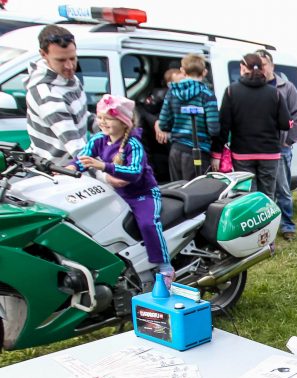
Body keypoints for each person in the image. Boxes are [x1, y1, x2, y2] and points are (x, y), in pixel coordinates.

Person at [68, 95, 173, 284]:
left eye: (108, 118)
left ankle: (165, 266)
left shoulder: (134, 144)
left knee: (148, 224)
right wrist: (70, 169)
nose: (102, 122)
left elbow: (134, 172)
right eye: (100, 117)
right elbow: (82, 159)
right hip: (115, 194)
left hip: (142, 194)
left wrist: (103, 166)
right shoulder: (98, 139)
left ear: (124, 122)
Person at [212, 53, 290, 202]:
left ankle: (252, 225)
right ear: (262, 69)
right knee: (268, 196)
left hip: (242, 153)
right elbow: (285, 124)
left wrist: (217, 153)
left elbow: (223, 126)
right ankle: (267, 225)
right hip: (269, 153)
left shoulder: (231, 91)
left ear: (242, 68)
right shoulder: (275, 93)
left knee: (248, 197)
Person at [256, 49, 297, 242]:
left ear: (272, 66)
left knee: (282, 188)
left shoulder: (286, 87)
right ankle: (265, 228)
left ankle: (287, 225)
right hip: (259, 147)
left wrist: (289, 140)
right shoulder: (253, 87)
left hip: (281, 147)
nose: (260, 68)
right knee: (263, 190)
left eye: (263, 64)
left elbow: (296, 114)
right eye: (256, 65)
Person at [25, 25, 88, 165]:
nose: (69, 66)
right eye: (61, 60)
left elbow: (82, 117)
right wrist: (106, 175)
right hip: (56, 173)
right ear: (43, 54)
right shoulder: (46, 93)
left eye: (72, 58)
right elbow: (74, 144)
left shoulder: (69, 79)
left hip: (73, 167)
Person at [157, 53, 219, 181]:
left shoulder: (172, 92)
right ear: (204, 72)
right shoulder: (207, 94)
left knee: (178, 193)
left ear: (182, 70)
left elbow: (163, 124)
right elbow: (214, 129)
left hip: (176, 149)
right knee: (197, 193)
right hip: (199, 150)